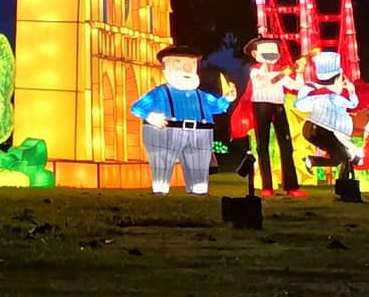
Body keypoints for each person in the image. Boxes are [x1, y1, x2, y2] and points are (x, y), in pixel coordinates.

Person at [130, 45, 237, 195]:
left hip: (200, 133)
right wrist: (150, 116)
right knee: (162, 162)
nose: (186, 69)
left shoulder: (201, 95)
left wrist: (227, 99)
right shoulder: (160, 92)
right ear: (166, 67)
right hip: (166, 131)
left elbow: (217, 106)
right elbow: (137, 107)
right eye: (178, 64)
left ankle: (198, 190)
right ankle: (160, 190)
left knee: (198, 168)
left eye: (191, 64)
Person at [230, 37, 306, 198]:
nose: (272, 55)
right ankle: (267, 186)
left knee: (286, 145)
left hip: (278, 106)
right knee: (262, 145)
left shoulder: (281, 71)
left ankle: (291, 186)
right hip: (261, 106)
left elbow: (296, 86)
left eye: (274, 51)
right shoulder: (255, 71)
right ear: (255, 54)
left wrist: (299, 73)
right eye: (267, 52)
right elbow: (259, 83)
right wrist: (277, 71)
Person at [295, 50, 362, 188]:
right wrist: (351, 91)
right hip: (322, 130)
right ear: (338, 78)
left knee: (338, 158)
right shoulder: (332, 97)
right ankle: (346, 187)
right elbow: (352, 104)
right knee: (345, 156)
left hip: (311, 129)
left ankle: (311, 161)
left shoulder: (312, 89)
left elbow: (301, 105)